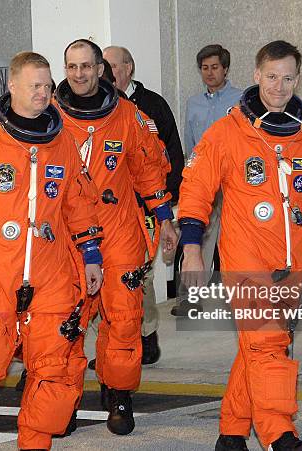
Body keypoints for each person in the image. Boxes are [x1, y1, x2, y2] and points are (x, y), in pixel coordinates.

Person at [178, 40, 302, 451]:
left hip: (294, 265)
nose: (279, 86)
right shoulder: (226, 134)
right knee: (267, 344)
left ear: (298, 80)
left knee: (260, 348)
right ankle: (280, 437)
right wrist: (193, 249)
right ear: (256, 76)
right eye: (271, 77)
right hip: (246, 260)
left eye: (288, 78)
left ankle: (231, 434)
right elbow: (195, 191)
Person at [0, 51, 104, 451]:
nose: (44, 94)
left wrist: (91, 256)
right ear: (12, 86)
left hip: (50, 271)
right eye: (35, 86)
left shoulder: (63, 140)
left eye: (47, 86)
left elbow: (79, 203)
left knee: (52, 367)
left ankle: (35, 442)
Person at [54, 39, 177, 436]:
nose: (79, 74)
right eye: (72, 66)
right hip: (66, 236)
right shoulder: (50, 116)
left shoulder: (128, 116)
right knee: (66, 322)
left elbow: (149, 173)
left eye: (87, 66)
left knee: (124, 318)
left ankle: (119, 394)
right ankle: (63, 400)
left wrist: (165, 218)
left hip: (119, 230)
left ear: (101, 69)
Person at [103, 45, 184, 363]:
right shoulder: (87, 113)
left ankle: (147, 334)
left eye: (112, 66)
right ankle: (111, 342)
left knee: (141, 276)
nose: (107, 73)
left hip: (142, 207)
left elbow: (168, 154)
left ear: (129, 68)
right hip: (103, 212)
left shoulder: (150, 106)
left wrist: (166, 204)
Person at [173, 44, 243, 317]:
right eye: (205, 68)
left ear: (225, 69)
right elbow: (190, 143)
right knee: (197, 239)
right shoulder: (193, 103)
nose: (209, 73)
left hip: (236, 181)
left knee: (239, 241)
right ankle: (190, 298)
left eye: (215, 67)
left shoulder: (242, 99)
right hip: (204, 182)